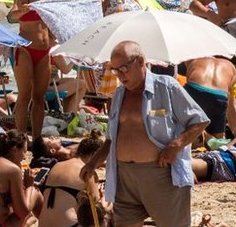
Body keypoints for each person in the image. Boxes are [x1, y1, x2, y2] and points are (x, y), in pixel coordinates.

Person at [79, 40, 209, 227]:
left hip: (160, 174)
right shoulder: (119, 94)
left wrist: (176, 145)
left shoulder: (166, 86)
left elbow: (199, 120)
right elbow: (110, 139)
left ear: (140, 61)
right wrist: (92, 163)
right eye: (115, 70)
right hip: (124, 176)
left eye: (123, 68)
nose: (120, 75)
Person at [7, 0, 57, 138]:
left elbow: (65, 11)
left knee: (39, 98)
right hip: (26, 50)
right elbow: (11, 16)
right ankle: (20, 138)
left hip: (44, 51)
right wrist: (22, 11)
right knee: (24, 96)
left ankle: (36, 139)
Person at [37, 131, 106, 227]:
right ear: (95, 154)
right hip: (69, 225)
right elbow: (97, 209)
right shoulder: (87, 172)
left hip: (43, 224)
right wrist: (104, 196)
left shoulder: (56, 165)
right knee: (106, 217)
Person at [182, 57, 236, 139]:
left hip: (194, 89)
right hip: (219, 96)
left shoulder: (196, 59)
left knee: (186, 126)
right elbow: (231, 103)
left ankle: (201, 133)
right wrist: (234, 130)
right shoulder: (232, 67)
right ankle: (214, 139)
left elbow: (189, 80)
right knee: (219, 137)